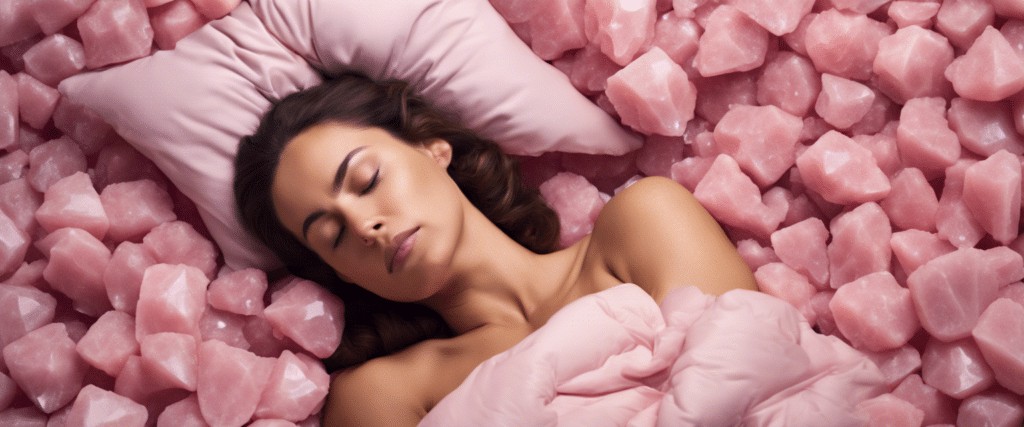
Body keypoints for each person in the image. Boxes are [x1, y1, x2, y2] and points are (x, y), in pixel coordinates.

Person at [234, 72, 757, 426]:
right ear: (339, 274)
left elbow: (754, 374)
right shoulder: (385, 393)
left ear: (433, 149)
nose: (365, 225)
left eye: (368, 180)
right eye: (333, 236)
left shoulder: (643, 220)